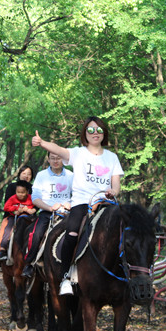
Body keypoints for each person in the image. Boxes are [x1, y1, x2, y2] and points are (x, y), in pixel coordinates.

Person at [32, 116, 124, 295]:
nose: (95, 133)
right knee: (72, 233)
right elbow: (58, 149)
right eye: (90, 129)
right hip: (82, 203)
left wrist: (113, 192)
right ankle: (66, 277)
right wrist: (42, 142)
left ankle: (128, 277)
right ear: (85, 133)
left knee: (124, 234)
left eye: (98, 129)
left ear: (104, 133)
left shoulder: (112, 158)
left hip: (106, 204)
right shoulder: (79, 153)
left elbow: (116, 184)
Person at [21, 152, 73, 278]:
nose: (55, 161)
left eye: (58, 158)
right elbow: (35, 198)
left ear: (64, 160)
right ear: (48, 160)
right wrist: (49, 207)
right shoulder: (41, 175)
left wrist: (70, 203)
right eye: (52, 158)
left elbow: (78, 194)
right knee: (36, 233)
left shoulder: (71, 175)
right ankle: (30, 263)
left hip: (68, 213)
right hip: (47, 212)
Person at [0, 165, 35, 271]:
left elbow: (36, 202)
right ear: (19, 174)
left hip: (28, 215)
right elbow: (7, 204)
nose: (26, 176)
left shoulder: (34, 188)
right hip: (12, 215)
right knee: (6, 230)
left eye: (29, 174)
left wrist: (32, 210)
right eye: (24, 173)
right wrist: (16, 210)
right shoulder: (12, 187)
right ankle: (0, 255)